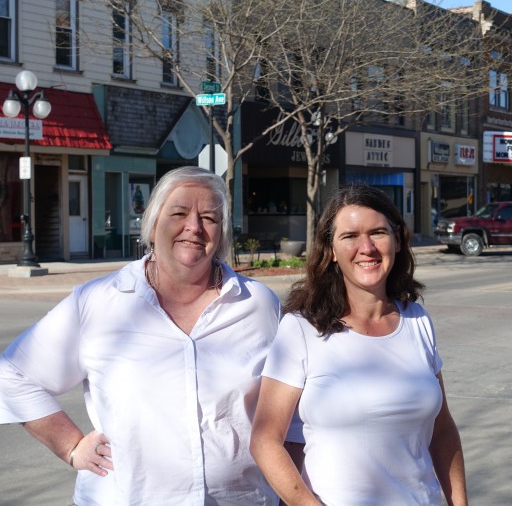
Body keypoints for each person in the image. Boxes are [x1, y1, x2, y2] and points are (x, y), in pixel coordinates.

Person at [0, 166, 288, 505]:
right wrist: (71, 446)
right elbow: (13, 375)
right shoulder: (99, 302)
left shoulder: (257, 304)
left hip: (242, 498)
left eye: (209, 218)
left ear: (222, 233)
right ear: (151, 225)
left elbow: (290, 404)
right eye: (178, 213)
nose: (193, 227)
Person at [250, 184, 468, 505]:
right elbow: (265, 440)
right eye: (350, 236)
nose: (366, 247)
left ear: (396, 240)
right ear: (331, 251)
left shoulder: (417, 320)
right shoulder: (301, 329)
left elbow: (442, 428)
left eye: (378, 232)